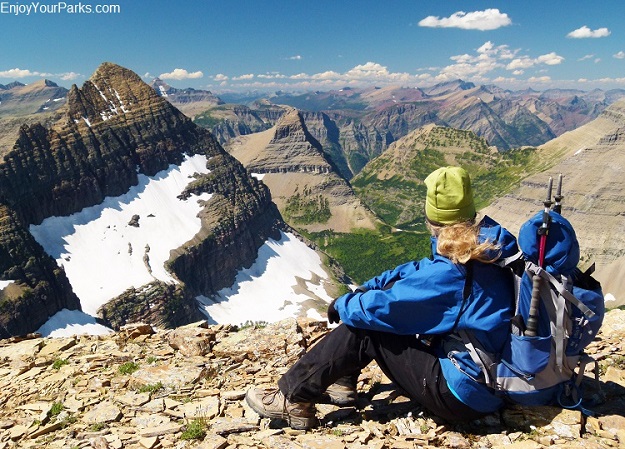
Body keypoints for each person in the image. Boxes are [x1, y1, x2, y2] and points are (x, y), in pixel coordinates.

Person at [245, 166, 519, 429]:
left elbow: (385, 308)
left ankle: (291, 397)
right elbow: (418, 269)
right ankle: (342, 383)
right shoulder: (487, 251)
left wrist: (344, 303)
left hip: (463, 396)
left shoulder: (453, 274)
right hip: (490, 378)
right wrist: (372, 285)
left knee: (366, 327)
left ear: (430, 219)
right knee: (370, 313)